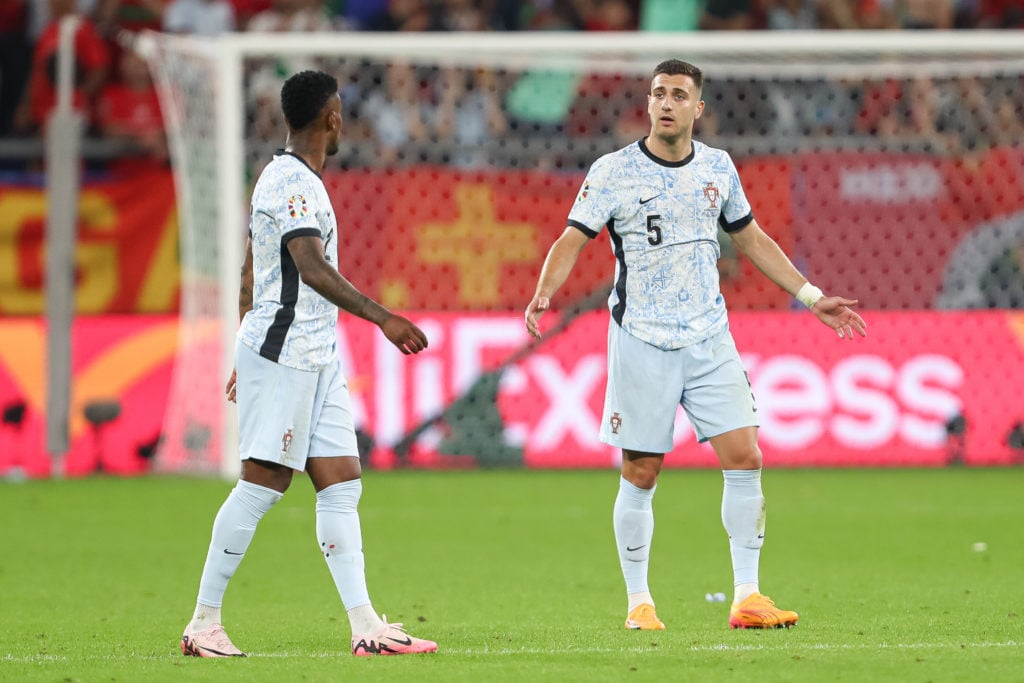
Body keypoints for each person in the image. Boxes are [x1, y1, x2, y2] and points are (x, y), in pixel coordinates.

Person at [524, 59, 867, 631]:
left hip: (710, 337)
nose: (665, 103)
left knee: (746, 458)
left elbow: (751, 238)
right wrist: (543, 293)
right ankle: (639, 603)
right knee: (641, 471)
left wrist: (811, 296)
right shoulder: (613, 171)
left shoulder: (718, 167)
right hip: (642, 339)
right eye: (658, 93)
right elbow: (572, 238)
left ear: (697, 108)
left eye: (678, 95)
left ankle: (748, 597)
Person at [180, 70, 438, 658]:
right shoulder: (291, 181)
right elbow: (311, 268)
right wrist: (383, 317)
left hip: (313, 353)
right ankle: (203, 622)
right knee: (264, 482)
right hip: (288, 349)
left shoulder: (294, 180)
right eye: (341, 110)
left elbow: (251, 266)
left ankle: (367, 626)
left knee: (342, 480)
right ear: (332, 118)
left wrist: (247, 338)